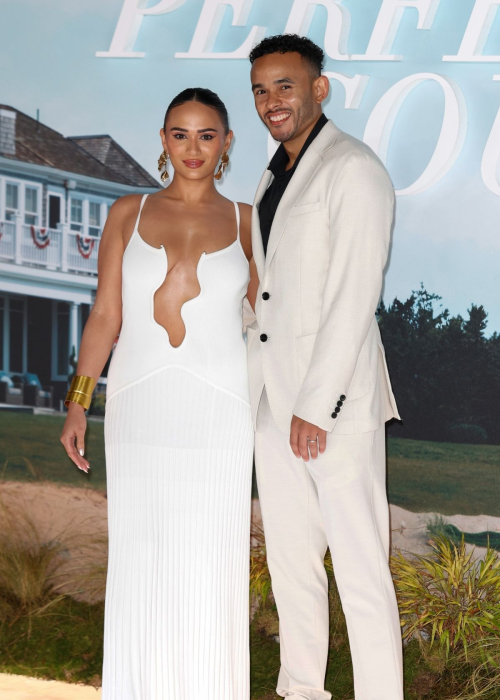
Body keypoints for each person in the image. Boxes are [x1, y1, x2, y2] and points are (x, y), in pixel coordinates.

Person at [60, 88, 259, 700]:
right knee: (142, 556)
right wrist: (78, 400)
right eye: (180, 133)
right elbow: (104, 318)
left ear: (226, 143)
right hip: (139, 407)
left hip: (220, 410)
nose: (192, 147)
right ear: (164, 138)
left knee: (211, 557)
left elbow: (271, 320)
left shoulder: (251, 222)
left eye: (206, 135)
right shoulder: (128, 211)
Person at [247, 35, 404, 700]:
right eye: (260, 89)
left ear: (319, 89)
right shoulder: (270, 175)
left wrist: (317, 405)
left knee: (362, 573)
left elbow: (353, 296)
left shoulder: (356, 169)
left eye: (285, 85)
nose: (271, 102)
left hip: (331, 411)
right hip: (270, 403)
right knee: (292, 568)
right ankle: (300, 691)